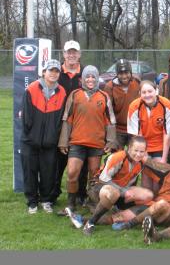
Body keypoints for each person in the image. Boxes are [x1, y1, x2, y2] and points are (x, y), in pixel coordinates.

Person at [58, 65, 118, 213]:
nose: (90, 79)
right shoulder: (75, 94)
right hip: (77, 142)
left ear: (97, 79)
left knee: (94, 175)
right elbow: (67, 119)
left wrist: (110, 141)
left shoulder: (104, 96)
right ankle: (71, 204)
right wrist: (63, 141)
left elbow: (111, 121)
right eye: (87, 77)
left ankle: (92, 202)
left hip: (96, 143)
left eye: (93, 77)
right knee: (72, 173)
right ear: (82, 79)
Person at [66, 136, 153, 235]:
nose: (138, 154)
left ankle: (82, 219)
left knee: (147, 196)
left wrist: (134, 193)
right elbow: (103, 180)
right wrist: (125, 192)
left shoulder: (141, 163)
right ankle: (91, 222)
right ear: (129, 148)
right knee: (113, 193)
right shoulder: (118, 157)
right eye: (136, 150)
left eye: (142, 151)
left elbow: (130, 184)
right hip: (99, 187)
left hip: (120, 191)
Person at [21, 59, 67, 214]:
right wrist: (31, 137)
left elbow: (61, 118)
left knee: (48, 173)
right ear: (43, 72)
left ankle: (46, 200)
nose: (53, 74)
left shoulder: (62, 92)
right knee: (30, 172)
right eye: (50, 70)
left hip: (50, 142)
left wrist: (54, 137)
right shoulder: (32, 89)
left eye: (56, 71)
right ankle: (32, 202)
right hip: (30, 141)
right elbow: (26, 117)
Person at [111, 149, 170, 231]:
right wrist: (135, 152)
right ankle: (98, 219)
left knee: (163, 204)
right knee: (118, 217)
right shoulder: (169, 171)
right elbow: (151, 164)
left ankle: (129, 224)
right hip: (153, 207)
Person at [53, 40, 87, 207]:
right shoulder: (55, 72)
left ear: (79, 54)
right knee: (58, 162)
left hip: (82, 124)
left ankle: (80, 195)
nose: (72, 55)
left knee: (82, 162)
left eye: (75, 52)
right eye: (69, 52)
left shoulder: (86, 73)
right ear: (64, 54)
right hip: (59, 123)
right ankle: (52, 194)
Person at [127, 80, 170, 192]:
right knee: (146, 177)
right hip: (142, 146)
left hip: (160, 145)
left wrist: (163, 158)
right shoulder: (134, 106)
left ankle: (157, 203)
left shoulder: (166, 105)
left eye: (150, 91)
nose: (147, 95)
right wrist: (145, 157)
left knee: (157, 177)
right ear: (140, 94)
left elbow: (167, 134)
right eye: (144, 92)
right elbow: (138, 136)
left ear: (156, 90)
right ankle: (146, 203)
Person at [104, 59, 140, 148]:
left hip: (134, 127)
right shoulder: (110, 86)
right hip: (118, 129)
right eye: (121, 73)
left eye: (126, 72)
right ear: (117, 74)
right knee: (117, 157)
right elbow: (107, 111)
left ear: (131, 72)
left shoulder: (137, 83)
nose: (124, 76)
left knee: (135, 156)